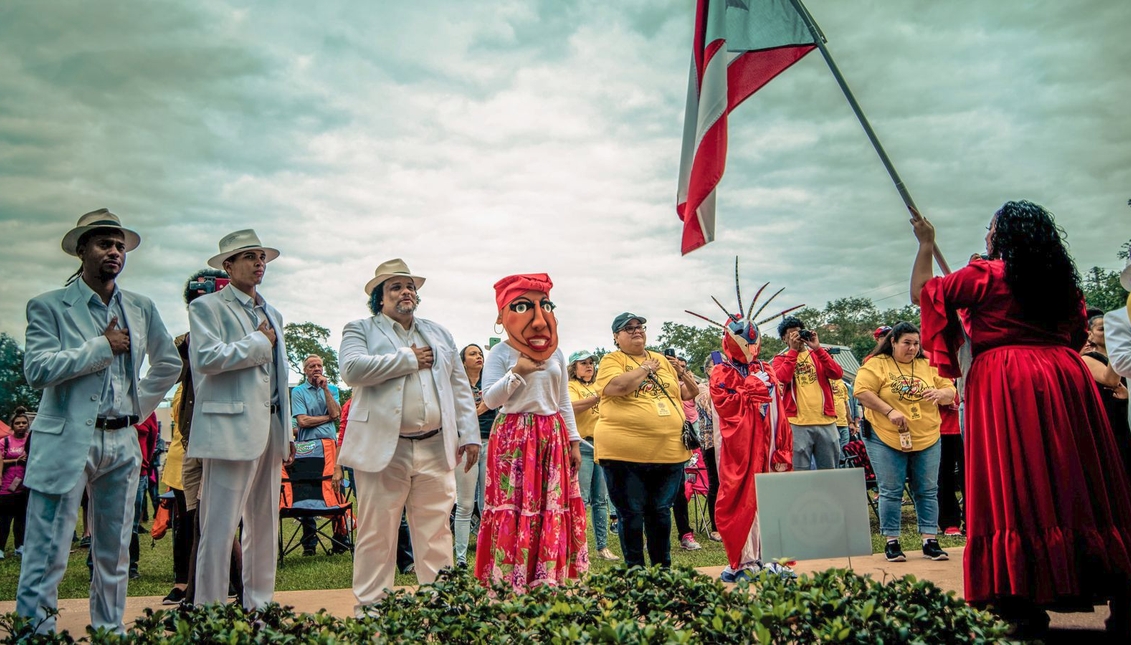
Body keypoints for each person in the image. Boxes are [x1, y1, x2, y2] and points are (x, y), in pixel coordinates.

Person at [913, 200, 1131, 637]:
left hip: (1008, 383)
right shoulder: (1063, 284)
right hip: (1065, 379)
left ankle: (1018, 600)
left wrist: (926, 245)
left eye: (991, 228)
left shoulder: (986, 274)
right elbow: (1073, 333)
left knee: (1015, 482)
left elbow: (924, 293)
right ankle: (1119, 594)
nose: (987, 236)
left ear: (1002, 235)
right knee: (1079, 482)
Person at [17, 209, 180, 633]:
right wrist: (101, 346)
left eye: (120, 246)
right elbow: (37, 370)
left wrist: (135, 408)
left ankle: (110, 632)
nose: (114, 252)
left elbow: (167, 364)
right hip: (66, 437)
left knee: (114, 551)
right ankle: (35, 635)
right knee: (47, 550)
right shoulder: (49, 306)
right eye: (105, 243)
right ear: (81, 250)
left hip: (122, 438)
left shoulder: (141, 307)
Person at [338, 258, 479, 611]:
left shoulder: (439, 332)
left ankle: (441, 606)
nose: (406, 292)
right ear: (380, 299)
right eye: (396, 287)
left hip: (435, 444)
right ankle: (372, 610)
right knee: (377, 532)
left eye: (410, 286)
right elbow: (352, 369)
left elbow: (459, 386)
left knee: (435, 530)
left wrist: (470, 434)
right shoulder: (360, 329)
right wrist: (408, 359)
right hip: (384, 448)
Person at [188, 229, 292, 610]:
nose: (259, 262)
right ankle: (208, 610)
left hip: (271, 425)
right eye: (249, 256)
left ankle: (259, 606)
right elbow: (207, 359)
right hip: (229, 427)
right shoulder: (207, 308)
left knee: (264, 523)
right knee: (219, 526)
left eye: (262, 256)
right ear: (228, 265)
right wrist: (259, 343)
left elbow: (281, 377)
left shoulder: (273, 312)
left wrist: (289, 428)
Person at [475, 274, 586, 589]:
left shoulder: (557, 353)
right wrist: (517, 372)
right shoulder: (501, 353)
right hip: (513, 434)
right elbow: (491, 399)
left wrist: (574, 441)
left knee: (549, 506)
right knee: (516, 506)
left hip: (552, 434)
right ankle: (511, 580)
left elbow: (562, 400)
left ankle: (547, 578)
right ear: (503, 316)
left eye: (545, 305)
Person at [595, 313, 694, 569]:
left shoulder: (661, 358)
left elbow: (684, 394)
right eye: (628, 328)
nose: (636, 331)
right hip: (624, 454)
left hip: (668, 452)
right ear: (616, 337)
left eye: (640, 327)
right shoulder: (612, 360)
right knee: (632, 515)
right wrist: (646, 368)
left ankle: (663, 572)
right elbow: (617, 387)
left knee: (661, 514)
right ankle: (635, 573)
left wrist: (683, 373)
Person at [853, 322, 955, 562]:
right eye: (907, 343)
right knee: (891, 489)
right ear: (893, 342)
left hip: (927, 435)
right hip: (884, 436)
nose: (912, 348)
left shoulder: (927, 364)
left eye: (916, 343)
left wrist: (941, 394)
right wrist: (889, 412)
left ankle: (930, 540)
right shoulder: (877, 364)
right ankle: (892, 542)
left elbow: (950, 389)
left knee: (928, 489)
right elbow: (861, 391)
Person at [706, 312, 794, 581]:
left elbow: (779, 410)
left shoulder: (765, 368)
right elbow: (725, 405)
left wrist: (783, 446)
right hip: (739, 450)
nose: (750, 347)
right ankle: (744, 560)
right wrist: (750, 389)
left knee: (774, 497)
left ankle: (775, 558)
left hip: (768, 448)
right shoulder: (721, 371)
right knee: (740, 500)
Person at [772, 317, 844, 471]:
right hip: (797, 423)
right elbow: (782, 378)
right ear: (784, 339)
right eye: (791, 335)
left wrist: (818, 348)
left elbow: (837, 373)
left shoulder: (817, 356)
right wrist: (793, 351)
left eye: (799, 334)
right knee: (799, 472)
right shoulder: (780, 359)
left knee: (830, 471)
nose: (797, 338)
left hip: (826, 421)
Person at [291, 354, 346, 555]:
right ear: (305, 370)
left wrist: (324, 389)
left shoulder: (331, 389)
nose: (316, 368)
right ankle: (309, 544)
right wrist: (327, 418)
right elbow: (303, 422)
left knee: (335, 488)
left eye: (319, 365)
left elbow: (337, 413)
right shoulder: (298, 391)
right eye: (312, 366)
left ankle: (340, 540)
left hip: (330, 446)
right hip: (307, 448)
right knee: (307, 491)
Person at [568, 350, 617, 561]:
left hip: (602, 445)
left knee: (601, 500)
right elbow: (571, 407)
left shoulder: (598, 385)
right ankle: (578, 547)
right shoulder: (571, 386)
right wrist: (597, 397)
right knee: (582, 499)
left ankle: (602, 546)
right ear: (574, 368)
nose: (589, 366)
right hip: (583, 445)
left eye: (591, 363)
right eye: (583, 363)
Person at [1082, 313, 1131, 478]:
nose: (1109, 331)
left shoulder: (1116, 357)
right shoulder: (1087, 358)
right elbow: (1110, 380)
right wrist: (1120, 346)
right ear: (1090, 334)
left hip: (1122, 414)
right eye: (1102, 328)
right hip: (1108, 421)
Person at [454, 344, 485, 567]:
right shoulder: (456, 385)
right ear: (463, 361)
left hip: (491, 442)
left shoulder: (490, 382)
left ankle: (489, 556)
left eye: (480, 353)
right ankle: (462, 558)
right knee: (465, 504)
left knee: (488, 504)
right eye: (472, 354)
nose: (478, 356)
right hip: (464, 444)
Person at [668, 356, 703, 551]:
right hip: (654, 444)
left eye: (682, 365)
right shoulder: (652, 381)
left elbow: (693, 392)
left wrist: (681, 373)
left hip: (678, 443)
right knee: (654, 495)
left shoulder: (677, 383)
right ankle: (651, 537)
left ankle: (685, 534)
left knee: (679, 492)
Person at [0, 407, 31, 560]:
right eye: (17, 423)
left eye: (24, 423)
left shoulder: (31, 441)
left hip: (25, 486)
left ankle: (20, 546)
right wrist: (15, 460)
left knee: (21, 519)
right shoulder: (5, 441)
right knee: (4, 520)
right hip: (6, 486)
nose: (21, 425)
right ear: (12, 425)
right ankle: (1, 547)